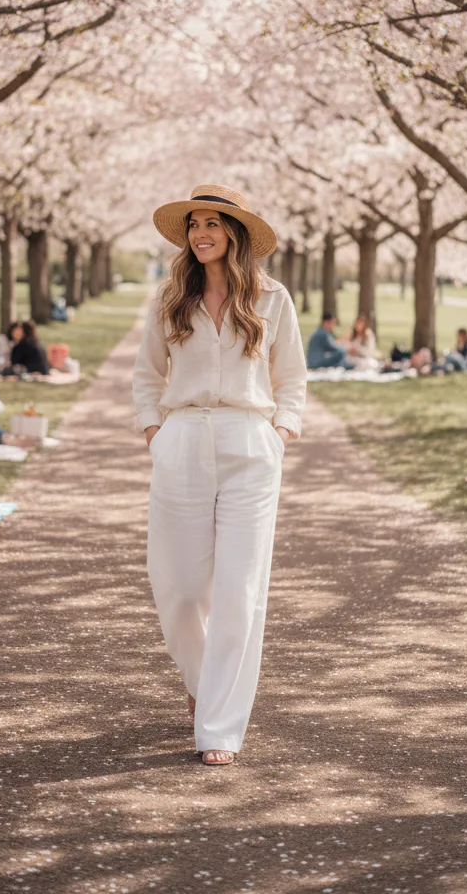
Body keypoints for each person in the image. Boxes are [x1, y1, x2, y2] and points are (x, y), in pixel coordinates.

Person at [133, 183, 307, 766]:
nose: (200, 233)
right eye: (193, 225)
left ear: (234, 233)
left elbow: (293, 380)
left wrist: (279, 435)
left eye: (212, 223)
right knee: (177, 586)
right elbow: (146, 376)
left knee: (240, 590)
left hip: (250, 444)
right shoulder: (169, 297)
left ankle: (219, 729)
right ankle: (203, 676)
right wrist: (154, 434)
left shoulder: (272, 297)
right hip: (181, 438)